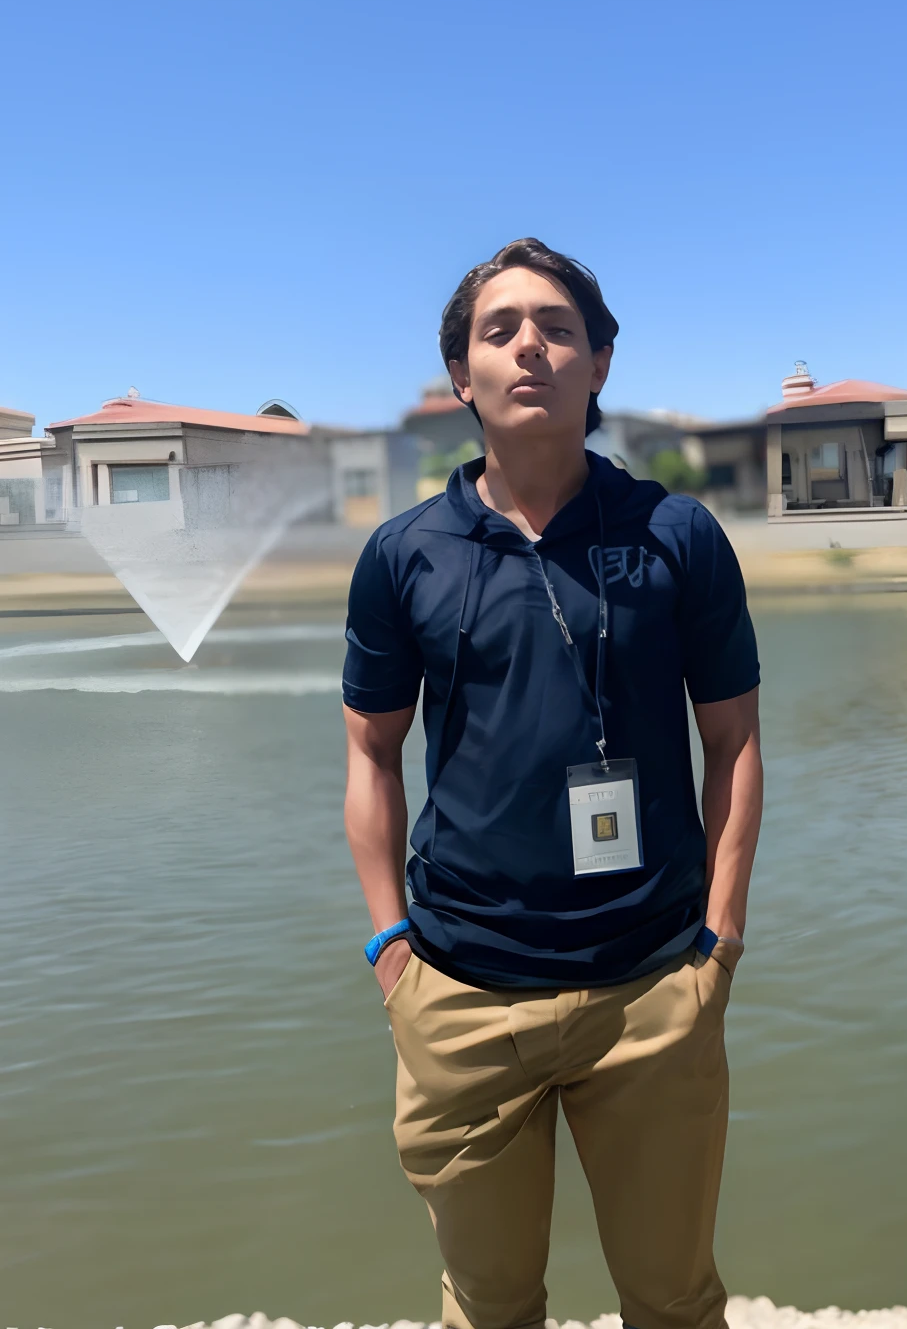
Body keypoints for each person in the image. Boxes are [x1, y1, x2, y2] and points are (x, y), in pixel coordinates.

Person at [342, 237, 763, 1329]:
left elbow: (735, 743)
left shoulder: (677, 535)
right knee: (488, 1306)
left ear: (601, 364)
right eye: (499, 329)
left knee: (674, 1300)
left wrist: (718, 944)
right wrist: (392, 950)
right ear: (460, 378)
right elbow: (371, 755)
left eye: (558, 326)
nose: (530, 344)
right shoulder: (405, 556)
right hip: (461, 993)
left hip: (653, 990)